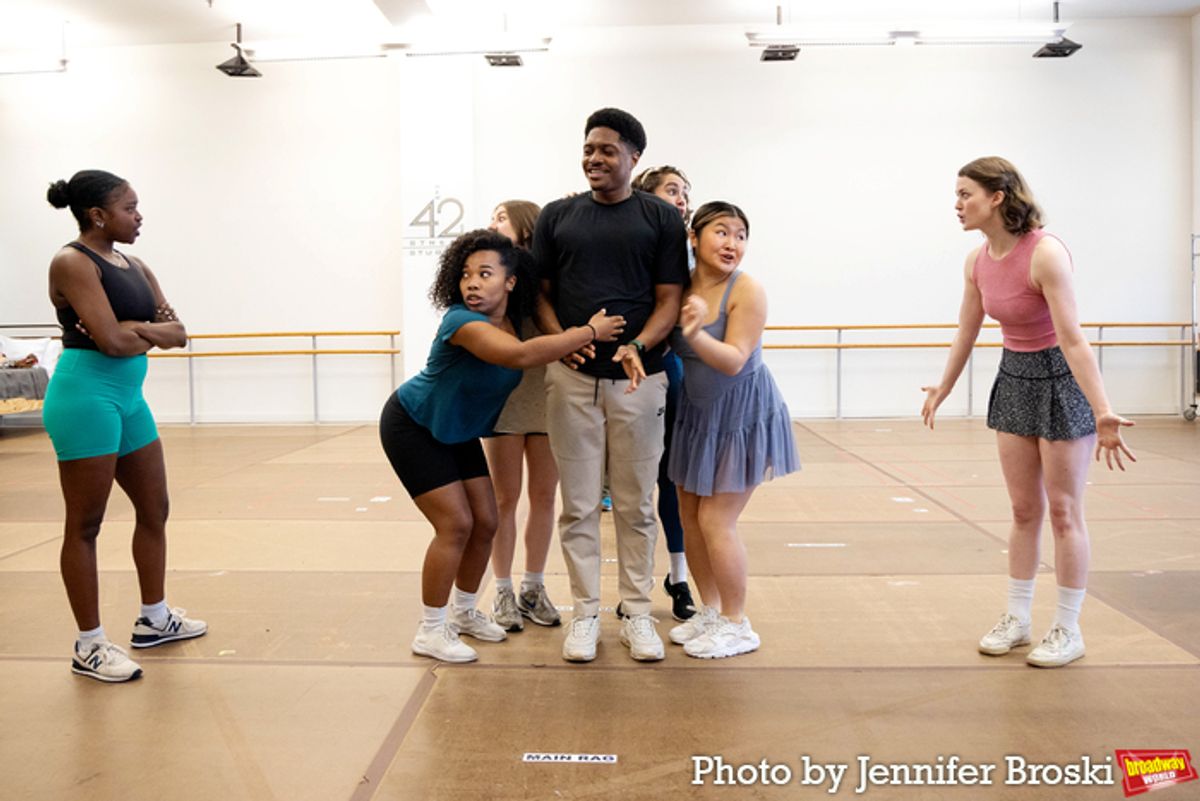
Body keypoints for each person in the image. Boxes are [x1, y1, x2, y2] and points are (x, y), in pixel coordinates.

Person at [922, 156, 1135, 668]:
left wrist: (1102, 409)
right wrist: (945, 386)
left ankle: (1067, 626)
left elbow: (1073, 338)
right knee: (1023, 510)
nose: (957, 204)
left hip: (1062, 379)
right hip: (1014, 378)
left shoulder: (1046, 254)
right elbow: (967, 328)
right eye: (956, 194)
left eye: (965, 194)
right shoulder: (976, 261)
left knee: (1063, 510)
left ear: (997, 196)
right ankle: (1018, 618)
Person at [380, 229, 622, 663]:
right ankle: (431, 630)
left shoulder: (517, 320)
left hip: (454, 431)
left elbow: (541, 328)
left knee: (487, 521)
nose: (472, 283)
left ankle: (466, 612)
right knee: (455, 526)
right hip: (412, 425)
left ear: (510, 282)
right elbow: (521, 357)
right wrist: (589, 331)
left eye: (485, 274)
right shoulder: (461, 322)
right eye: (467, 274)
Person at [534, 108, 689, 663]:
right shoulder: (557, 216)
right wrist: (562, 340)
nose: (594, 158)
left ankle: (638, 614)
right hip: (571, 378)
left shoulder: (661, 219)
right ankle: (585, 615)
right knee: (577, 505)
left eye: (607, 150)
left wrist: (639, 346)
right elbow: (540, 294)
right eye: (588, 148)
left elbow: (670, 297)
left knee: (636, 505)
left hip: (636, 381)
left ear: (633, 158)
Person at [43, 170, 206, 683]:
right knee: (86, 524)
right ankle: (88, 644)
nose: (139, 217)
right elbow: (110, 344)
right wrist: (137, 332)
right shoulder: (72, 262)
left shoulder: (135, 265)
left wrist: (137, 329)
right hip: (84, 397)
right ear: (98, 215)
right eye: (130, 208)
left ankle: (154, 618)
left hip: (129, 399)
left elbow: (178, 333)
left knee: (155, 508)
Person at [664, 202, 800, 659]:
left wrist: (696, 331)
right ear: (694, 237)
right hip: (697, 414)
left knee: (716, 520)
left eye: (740, 235)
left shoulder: (748, 290)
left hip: (742, 413)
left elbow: (735, 358)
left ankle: (738, 623)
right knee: (688, 518)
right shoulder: (681, 284)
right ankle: (711, 609)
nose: (732, 244)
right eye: (722, 232)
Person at [482, 200, 562, 631]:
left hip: (547, 391)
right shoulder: (488, 271)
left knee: (545, 497)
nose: (492, 222)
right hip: (504, 394)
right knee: (504, 498)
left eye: (499, 216)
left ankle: (534, 586)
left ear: (525, 223)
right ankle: (503, 591)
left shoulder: (547, 272)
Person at [630, 165, 695, 621]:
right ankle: (633, 585)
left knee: (672, 480)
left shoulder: (693, 248)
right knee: (633, 485)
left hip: (673, 372)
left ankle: (679, 575)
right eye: (673, 190)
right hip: (630, 374)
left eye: (686, 193)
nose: (683, 200)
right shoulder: (629, 245)